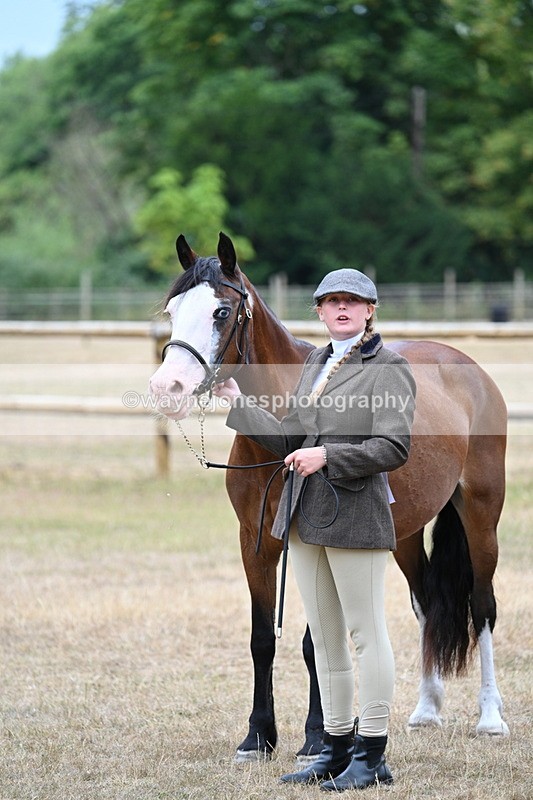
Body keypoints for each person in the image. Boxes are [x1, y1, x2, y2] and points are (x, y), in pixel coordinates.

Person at [213, 268, 416, 791]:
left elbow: (393, 448)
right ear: (320, 313)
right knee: (325, 641)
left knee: (366, 636)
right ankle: (335, 748)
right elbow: (289, 438)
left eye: (353, 302)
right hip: (304, 519)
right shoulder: (314, 366)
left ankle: (372, 754)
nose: (342, 310)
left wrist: (327, 455)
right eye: (332, 303)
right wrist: (239, 405)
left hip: (356, 516)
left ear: (370, 311)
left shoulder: (388, 369)